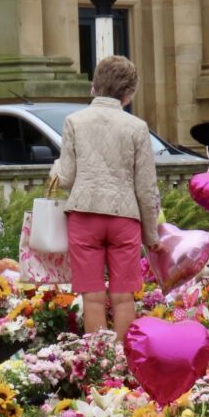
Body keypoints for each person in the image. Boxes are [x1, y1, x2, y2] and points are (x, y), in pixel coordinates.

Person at [50, 55, 160, 341]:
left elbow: (67, 178)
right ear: (129, 93)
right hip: (125, 217)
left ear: (94, 86)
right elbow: (146, 187)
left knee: (93, 297)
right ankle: (125, 365)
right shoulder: (137, 127)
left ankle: (99, 363)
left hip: (84, 215)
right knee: (124, 297)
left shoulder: (74, 121)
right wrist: (151, 235)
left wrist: (55, 169)